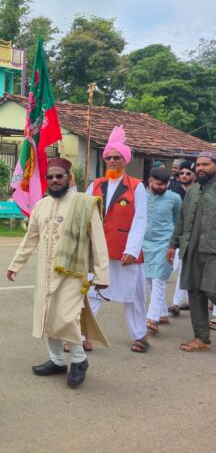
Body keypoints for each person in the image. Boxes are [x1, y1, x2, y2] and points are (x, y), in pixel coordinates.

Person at [6, 157, 109, 390]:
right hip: (45, 272)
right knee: (48, 315)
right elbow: (30, 238)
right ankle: (57, 360)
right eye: (50, 177)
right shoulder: (41, 206)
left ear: (69, 178)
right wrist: (15, 265)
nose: (54, 180)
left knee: (67, 317)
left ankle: (79, 361)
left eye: (59, 176)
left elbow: (98, 242)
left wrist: (102, 275)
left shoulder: (85, 204)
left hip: (72, 272)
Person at [85, 125, 149, 353]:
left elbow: (140, 219)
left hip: (125, 251)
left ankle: (140, 336)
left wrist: (132, 250)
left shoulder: (136, 186)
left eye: (116, 157)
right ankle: (84, 336)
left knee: (134, 295)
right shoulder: (95, 185)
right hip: (98, 249)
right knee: (91, 292)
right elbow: (83, 213)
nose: (112, 161)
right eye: (109, 157)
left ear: (125, 160)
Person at [167, 152, 216, 352]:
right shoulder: (193, 190)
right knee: (194, 292)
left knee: (211, 289)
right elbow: (181, 218)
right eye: (199, 165)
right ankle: (201, 338)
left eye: (206, 164)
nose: (201, 168)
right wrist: (172, 244)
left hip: (213, 251)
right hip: (191, 250)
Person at [143, 167, 181, 334]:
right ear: (150, 180)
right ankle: (163, 313)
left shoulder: (175, 198)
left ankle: (152, 318)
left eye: (165, 184)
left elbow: (178, 221)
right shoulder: (140, 196)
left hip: (165, 243)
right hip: (144, 243)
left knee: (159, 279)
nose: (163, 187)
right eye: (159, 184)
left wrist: (174, 244)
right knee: (149, 279)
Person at [169, 160, 197, 314]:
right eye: (182, 173)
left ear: (194, 176)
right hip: (183, 239)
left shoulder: (200, 192)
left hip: (199, 240)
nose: (184, 176)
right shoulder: (177, 192)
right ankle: (177, 304)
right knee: (182, 270)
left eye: (188, 173)